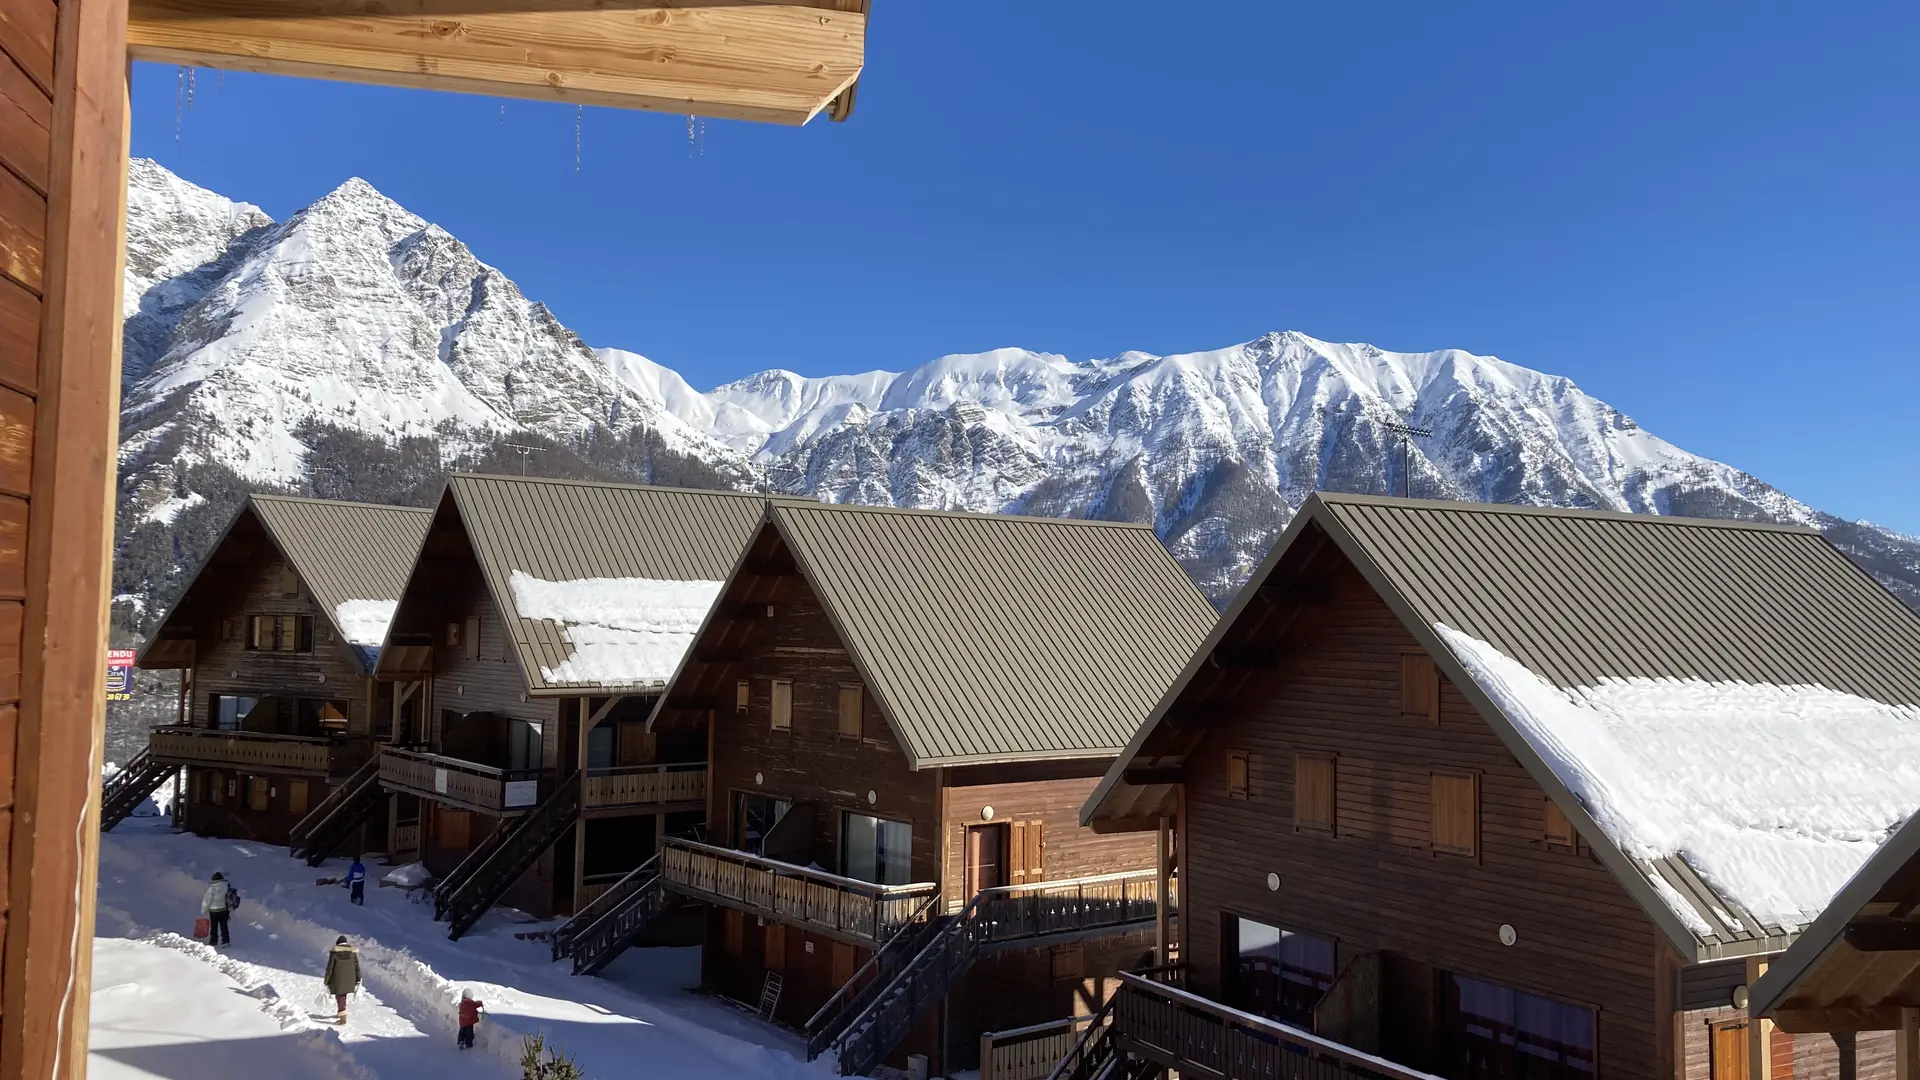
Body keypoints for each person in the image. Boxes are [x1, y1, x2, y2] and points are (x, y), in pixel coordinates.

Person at [323, 935, 361, 1026]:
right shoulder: (352, 953)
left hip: (338, 979)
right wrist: (359, 978)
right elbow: (357, 966)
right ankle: (341, 1010)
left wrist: (326, 980)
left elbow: (330, 968)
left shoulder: (334, 953)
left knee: (340, 996)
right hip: (350, 979)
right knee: (342, 996)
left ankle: (343, 1018)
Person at [201, 872, 233, 947]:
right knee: (224, 925)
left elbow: (207, 900)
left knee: (214, 926)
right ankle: (225, 941)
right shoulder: (227, 886)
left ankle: (213, 941)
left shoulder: (212, 888)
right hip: (224, 910)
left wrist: (203, 909)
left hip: (213, 910)